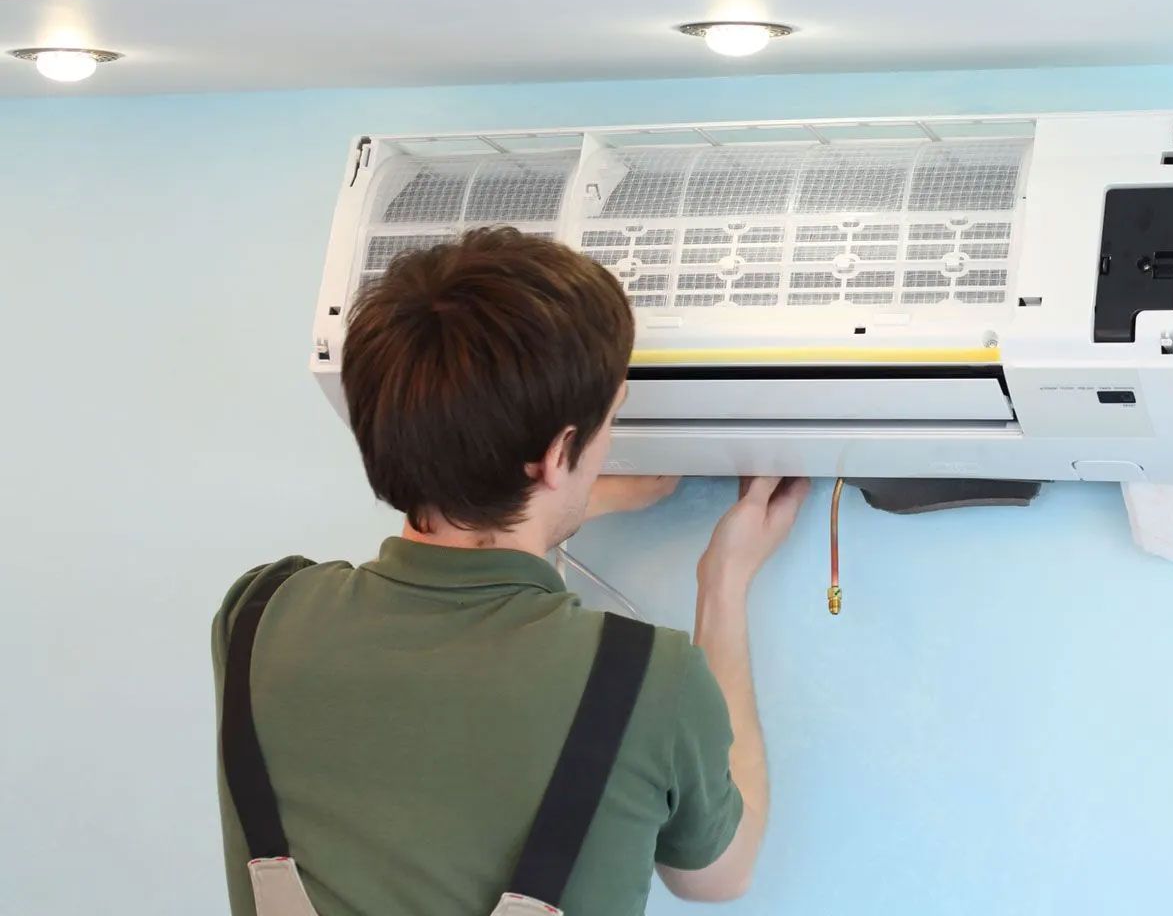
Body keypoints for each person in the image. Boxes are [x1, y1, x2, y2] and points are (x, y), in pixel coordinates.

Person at [212, 227, 806, 915]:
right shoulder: (652, 681)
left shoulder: (256, 616)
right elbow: (718, 877)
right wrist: (723, 583)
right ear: (558, 456)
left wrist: (556, 506)